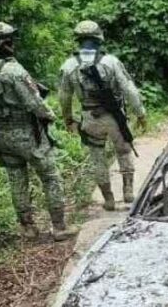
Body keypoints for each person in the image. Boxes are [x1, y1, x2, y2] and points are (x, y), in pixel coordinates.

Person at [0, 21, 75, 241]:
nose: (12, 43)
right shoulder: (12, 69)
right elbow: (34, 103)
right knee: (50, 177)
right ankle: (59, 227)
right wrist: (50, 116)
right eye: (9, 39)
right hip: (28, 134)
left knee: (17, 179)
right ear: (1, 43)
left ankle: (27, 228)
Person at [58, 20, 147, 210]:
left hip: (90, 117)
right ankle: (128, 190)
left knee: (97, 157)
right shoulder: (111, 62)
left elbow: (64, 96)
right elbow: (129, 89)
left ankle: (108, 199)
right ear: (99, 38)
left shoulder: (69, 66)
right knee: (123, 151)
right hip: (115, 117)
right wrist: (140, 113)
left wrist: (67, 118)